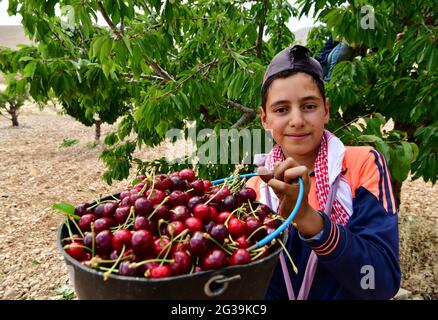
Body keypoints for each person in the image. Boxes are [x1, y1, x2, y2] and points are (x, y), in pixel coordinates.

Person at [246, 45, 400, 300]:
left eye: (309, 106)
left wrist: (307, 218)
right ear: (264, 119)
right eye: (281, 110)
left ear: (326, 110)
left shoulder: (361, 165)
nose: (296, 120)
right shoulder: (255, 191)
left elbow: (380, 281)